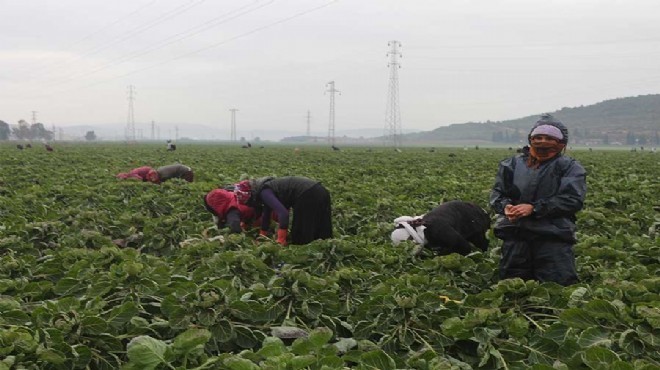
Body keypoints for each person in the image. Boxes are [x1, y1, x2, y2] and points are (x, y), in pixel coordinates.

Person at [490, 114, 587, 286]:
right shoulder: (511, 164)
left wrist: (533, 208)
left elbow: (572, 199)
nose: (543, 142)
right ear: (530, 140)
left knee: (557, 289)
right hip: (516, 235)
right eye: (538, 137)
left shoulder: (569, 167)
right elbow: (498, 194)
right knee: (513, 289)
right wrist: (506, 207)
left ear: (561, 144)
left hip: (552, 237)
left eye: (550, 138)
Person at [234, 176, 332, 246]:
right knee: (321, 225)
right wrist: (262, 235)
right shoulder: (266, 189)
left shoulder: (265, 192)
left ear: (251, 194)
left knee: (301, 233)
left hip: (307, 194)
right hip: (320, 190)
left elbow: (283, 213)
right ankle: (325, 247)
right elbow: (266, 215)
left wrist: (281, 238)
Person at [116, 164, 193, 183]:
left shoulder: (164, 174)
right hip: (184, 170)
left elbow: (139, 179)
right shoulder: (159, 171)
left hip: (186, 172)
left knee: (186, 186)